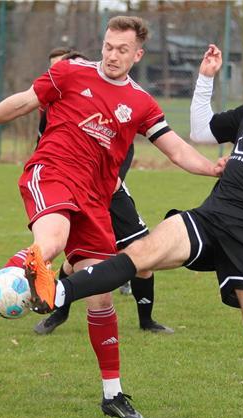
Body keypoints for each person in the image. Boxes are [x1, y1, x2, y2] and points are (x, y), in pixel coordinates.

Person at [23, 39, 243, 418]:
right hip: (212, 216)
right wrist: (205, 80)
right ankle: (57, 292)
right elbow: (202, 130)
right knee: (141, 253)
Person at [0, 16, 225, 418]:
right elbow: (23, 101)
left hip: (96, 200)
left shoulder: (142, 103)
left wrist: (211, 168)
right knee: (53, 240)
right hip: (53, 173)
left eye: (121, 50)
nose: (112, 55)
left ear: (137, 54)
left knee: (101, 294)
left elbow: (175, 149)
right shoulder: (69, 72)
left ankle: (112, 394)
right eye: (108, 46)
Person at [31, 47, 173, 335]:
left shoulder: (107, 98)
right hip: (73, 190)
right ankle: (55, 315)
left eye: (59, 68)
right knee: (73, 264)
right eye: (51, 69)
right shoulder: (50, 112)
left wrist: (113, 180)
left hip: (111, 192)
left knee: (143, 256)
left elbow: (125, 148)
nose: (54, 76)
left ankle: (147, 321)